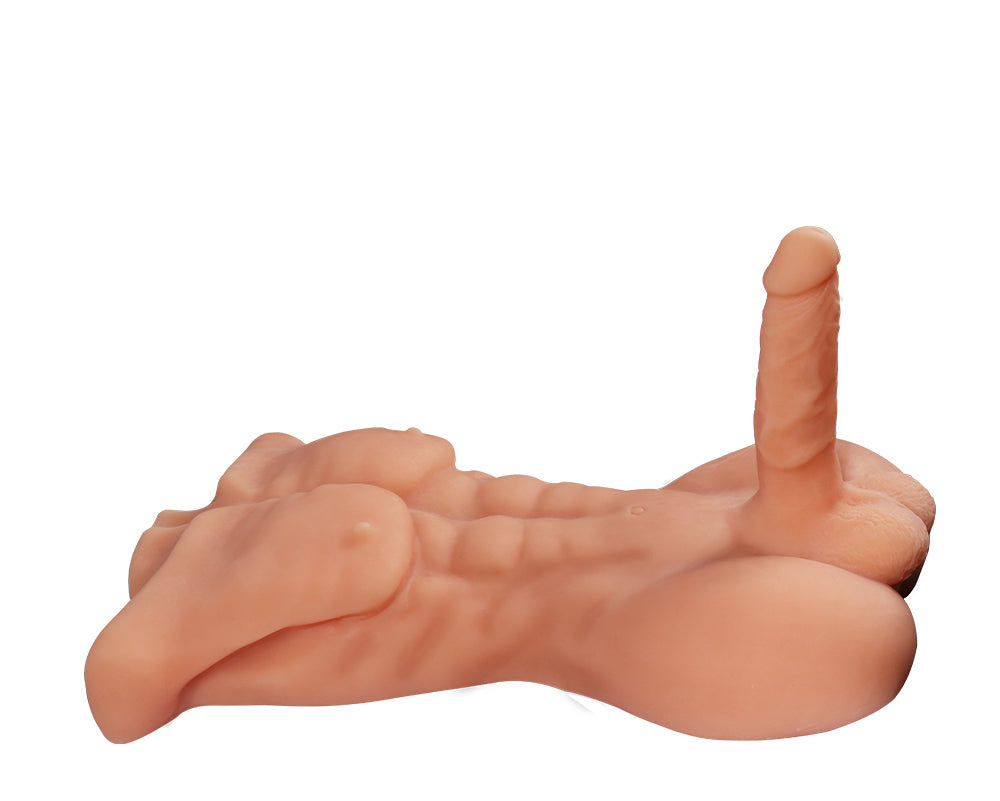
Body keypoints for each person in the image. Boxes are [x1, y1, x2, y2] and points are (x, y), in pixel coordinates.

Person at [85, 227, 934, 744]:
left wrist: (796, 486)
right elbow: (121, 690)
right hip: (595, 597)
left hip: (660, 561)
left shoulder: (348, 497)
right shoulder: (352, 538)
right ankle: (809, 527)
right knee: (860, 615)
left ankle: (810, 520)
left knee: (876, 530)